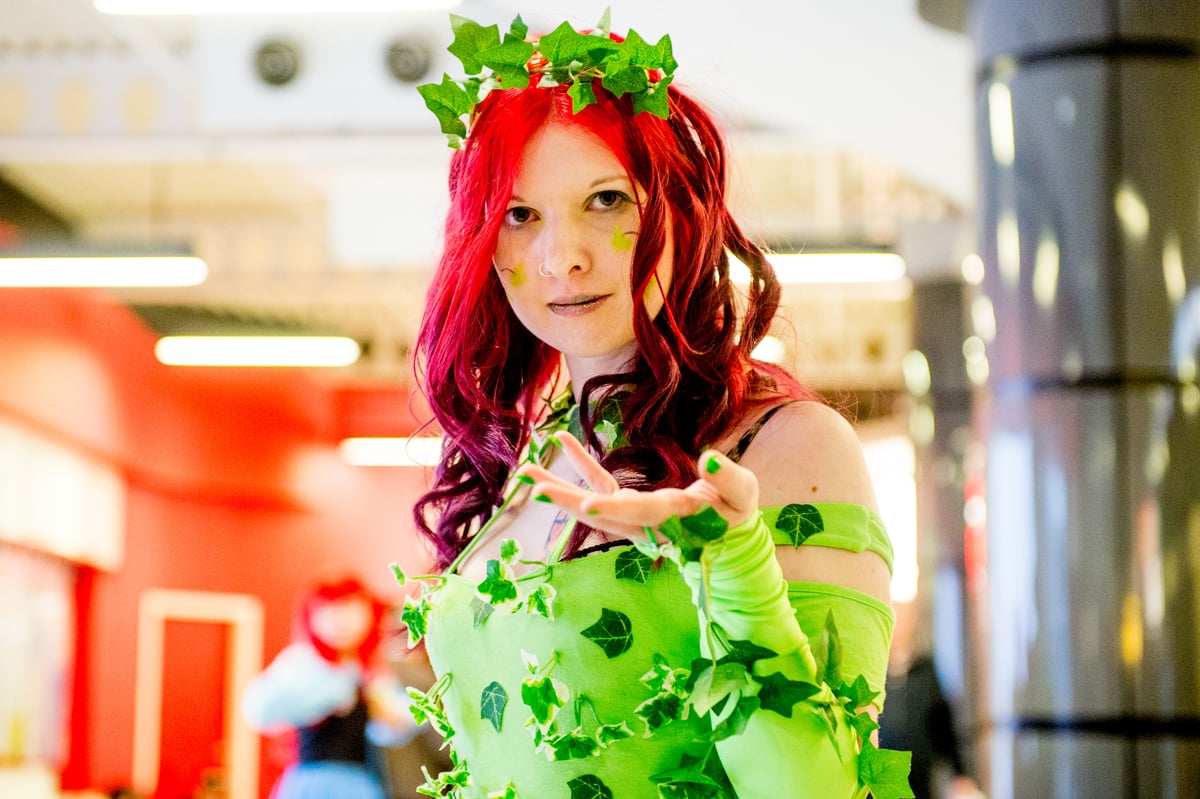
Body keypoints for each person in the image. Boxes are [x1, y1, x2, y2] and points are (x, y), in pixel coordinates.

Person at [399, 11, 912, 799]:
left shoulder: (785, 446)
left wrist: (734, 569)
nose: (562, 255)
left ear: (679, 210)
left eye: (606, 200)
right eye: (519, 214)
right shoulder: (538, 459)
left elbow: (826, 790)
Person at [241, 576, 417, 799]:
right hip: (314, 781)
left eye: (350, 609)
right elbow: (258, 710)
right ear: (311, 617)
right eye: (329, 610)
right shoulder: (303, 661)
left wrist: (384, 711)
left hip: (359, 781)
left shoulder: (370, 669)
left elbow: (403, 723)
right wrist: (327, 696)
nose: (341, 621)